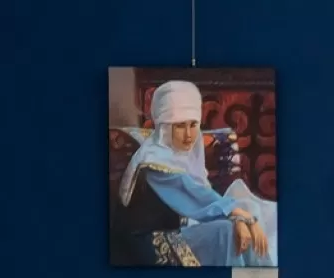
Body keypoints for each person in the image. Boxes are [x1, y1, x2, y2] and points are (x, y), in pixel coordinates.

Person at [113, 80, 277, 267]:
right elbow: (196, 195)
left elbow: (202, 196)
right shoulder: (154, 161)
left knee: (241, 226)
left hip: (174, 230)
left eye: (193, 124)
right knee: (226, 232)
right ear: (165, 128)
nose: (189, 135)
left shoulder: (185, 150)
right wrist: (240, 215)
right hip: (143, 246)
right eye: (180, 126)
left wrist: (243, 218)